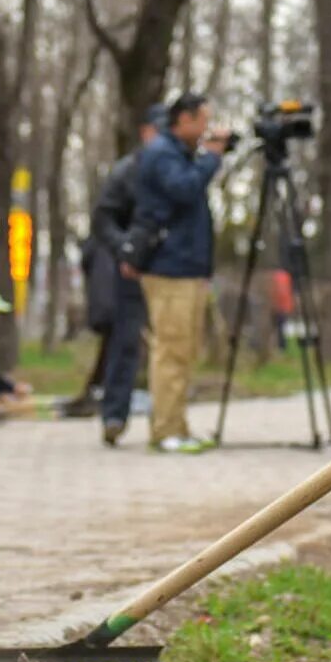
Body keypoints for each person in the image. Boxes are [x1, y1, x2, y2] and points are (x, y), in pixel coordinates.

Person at [121, 92, 230, 454]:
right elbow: (184, 189)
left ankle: (177, 426)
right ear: (182, 120)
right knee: (170, 351)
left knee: (184, 351)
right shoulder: (162, 154)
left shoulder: (178, 154)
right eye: (201, 121)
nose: (205, 130)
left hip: (186, 268)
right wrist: (212, 156)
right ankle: (164, 430)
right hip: (169, 269)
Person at [84, 105, 164, 445]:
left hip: (170, 269)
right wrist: (125, 250)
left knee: (170, 348)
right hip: (131, 271)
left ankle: (167, 421)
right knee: (125, 343)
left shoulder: (175, 169)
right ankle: (114, 415)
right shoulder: (127, 171)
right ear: (147, 132)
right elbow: (103, 218)